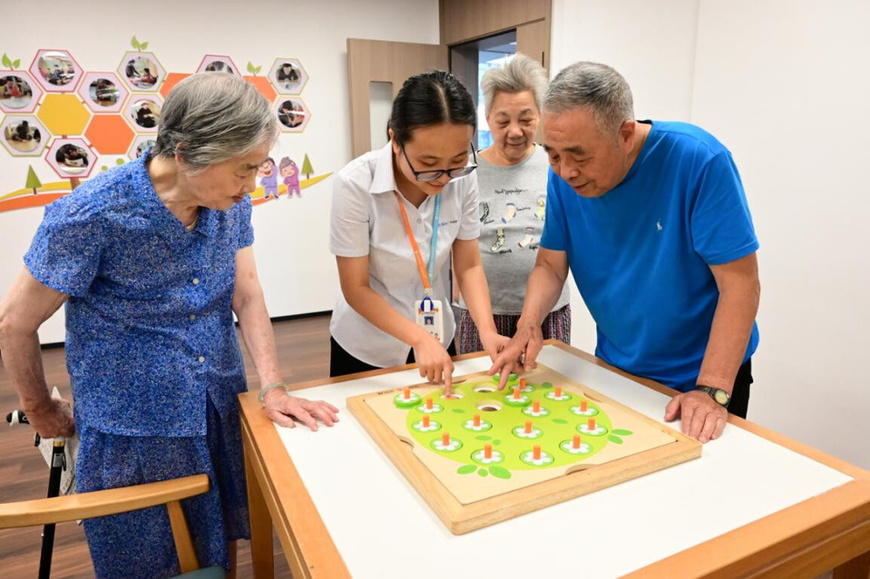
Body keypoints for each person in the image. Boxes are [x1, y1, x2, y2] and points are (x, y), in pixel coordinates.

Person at [0, 72, 339, 579]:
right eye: (243, 170)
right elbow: (14, 324)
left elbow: (246, 294)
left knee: (212, 544)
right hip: (135, 427)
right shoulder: (90, 215)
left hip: (216, 400)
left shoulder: (231, 202)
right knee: (145, 556)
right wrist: (39, 407)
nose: (252, 185)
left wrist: (274, 386)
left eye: (258, 167)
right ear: (185, 153)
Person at [491, 61, 760, 444]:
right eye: (552, 155)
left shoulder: (698, 161)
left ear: (625, 135)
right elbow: (551, 265)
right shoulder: (563, 175)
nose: (566, 171)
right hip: (618, 370)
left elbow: (740, 284)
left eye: (579, 156)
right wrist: (529, 323)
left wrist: (713, 388)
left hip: (703, 378)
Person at [329, 70, 508, 390]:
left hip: (439, 336)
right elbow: (355, 287)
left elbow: (468, 265)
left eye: (456, 160)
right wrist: (418, 339)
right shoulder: (355, 184)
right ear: (395, 140)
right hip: (369, 346)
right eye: (428, 163)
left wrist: (487, 330)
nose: (444, 177)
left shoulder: (463, 178)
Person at [455, 53, 571, 355]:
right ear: (488, 116)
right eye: (503, 120)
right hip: (484, 316)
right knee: (480, 396)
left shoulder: (557, 166)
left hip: (548, 313)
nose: (515, 131)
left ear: (541, 115)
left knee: (546, 396)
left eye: (526, 119)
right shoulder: (466, 171)